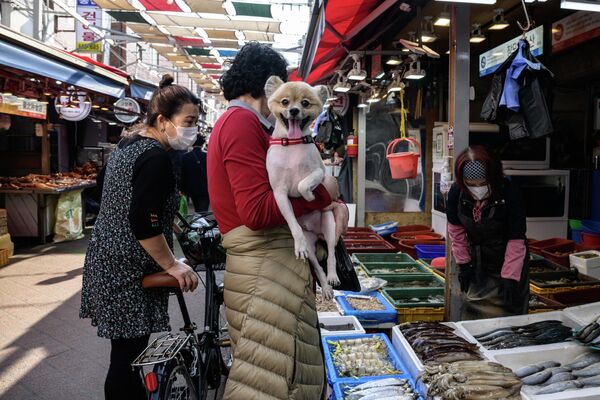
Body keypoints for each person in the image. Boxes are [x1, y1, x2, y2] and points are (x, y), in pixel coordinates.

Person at [207, 42, 348, 400]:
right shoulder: (241, 124)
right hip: (263, 272)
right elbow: (256, 213)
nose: (291, 109)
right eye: (284, 97)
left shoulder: (248, 125)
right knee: (271, 381)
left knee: (278, 375)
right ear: (267, 89)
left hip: (269, 271)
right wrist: (324, 194)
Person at [80, 74, 200, 400]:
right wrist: (172, 264)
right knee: (127, 358)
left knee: (126, 355)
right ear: (163, 120)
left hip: (108, 258)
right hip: (126, 268)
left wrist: (169, 223)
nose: (193, 129)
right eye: (188, 121)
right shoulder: (156, 157)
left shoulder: (129, 143)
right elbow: (142, 222)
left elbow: (128, 199)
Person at [447, 145, 529, 320]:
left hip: (509, 261)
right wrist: (463, 263)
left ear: (493, 177)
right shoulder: (457, 192)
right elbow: (456, 230)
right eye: (471, 184)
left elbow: (516, 239)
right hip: (477, 262)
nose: (477, 188)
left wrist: (510, 276)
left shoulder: (510, 193)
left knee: (509, 318)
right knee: (472, 312)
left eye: (483, 183)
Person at [180, 134, 210, 212]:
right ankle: (201, 223)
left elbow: (183, 174)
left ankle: (198, 222)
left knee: (197, 209)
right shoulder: (207, 156)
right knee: (203, 210)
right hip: (205, 188)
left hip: (192, 188)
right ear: (202, 144)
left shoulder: (185, 157)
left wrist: (182, 189)